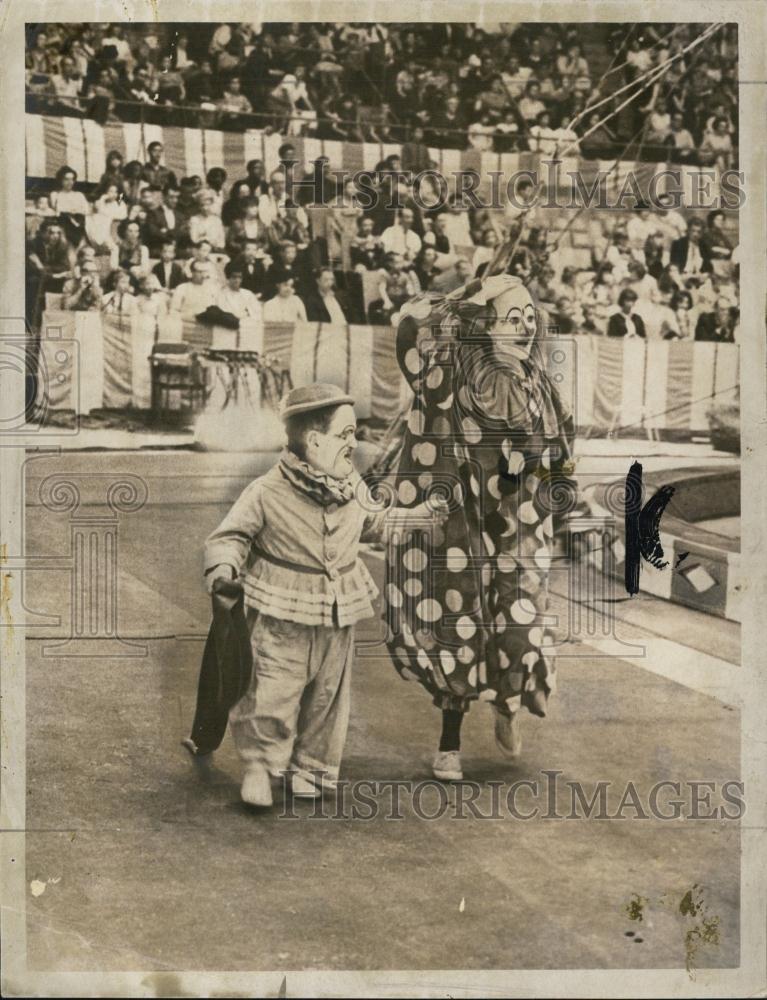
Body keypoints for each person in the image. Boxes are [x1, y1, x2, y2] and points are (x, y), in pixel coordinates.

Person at [203, 382, 441, 806]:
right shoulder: (267, 491)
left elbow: (378, 524)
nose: (355, 443)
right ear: (314, 441)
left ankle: (311, 766)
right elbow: (231, 536)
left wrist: (420, 517)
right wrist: (223, 566)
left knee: (329, 693)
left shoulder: (351, 487)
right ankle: (260, 765)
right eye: (345, 435)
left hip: (337, 610)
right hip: (281, 611)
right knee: (271, 689)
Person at [382, 273, 576, 780]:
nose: (524, 328)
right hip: (462, 522)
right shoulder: (453, 369)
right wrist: (474, 293)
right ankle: (448, 744)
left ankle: (509, 705)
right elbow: (410, 324)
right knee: (458, 620)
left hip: (518, 526)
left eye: (530, 319)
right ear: (485, 325)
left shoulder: (538, 383)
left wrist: (549, 481)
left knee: (521, 621)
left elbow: (559, 449)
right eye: (512, 319)